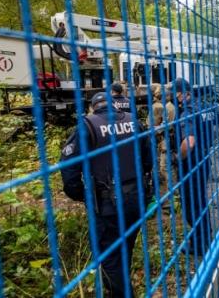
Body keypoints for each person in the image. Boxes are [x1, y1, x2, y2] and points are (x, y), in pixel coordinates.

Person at [60, 92, 152, 297]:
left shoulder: (87, 126)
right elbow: (148, 157)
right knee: (125, 244)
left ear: (93, 107)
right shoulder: (134, 122)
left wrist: (80, 195)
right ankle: (116, 286)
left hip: (107, 203)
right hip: (136, 198)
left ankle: (121, 292)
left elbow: (69, 167)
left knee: (108, 254)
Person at [171, 78, 214, 259]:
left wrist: (177, 157)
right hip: (205, 158)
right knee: (201, 200)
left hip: (191, 163)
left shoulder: (186, 113)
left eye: (175, 94)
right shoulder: (203, 106)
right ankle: (205, 235)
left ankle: (198, 244)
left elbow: (189, 142)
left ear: (182, 93)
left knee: (190, 205)